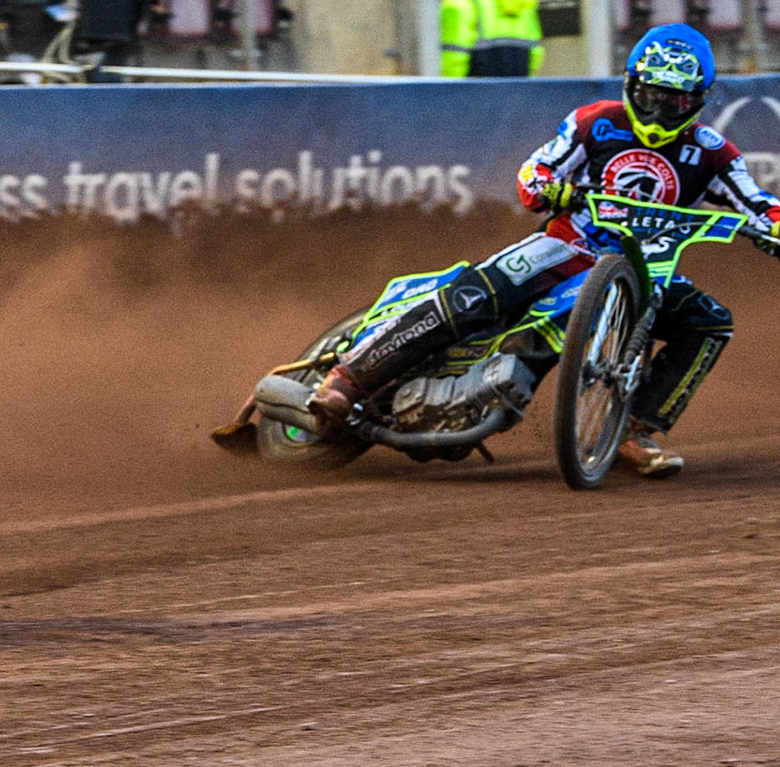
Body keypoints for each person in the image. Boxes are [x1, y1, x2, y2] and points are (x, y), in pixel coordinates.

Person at [310, 24, 780, 477]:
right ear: (631, 86)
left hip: (649, 268)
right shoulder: (596, 122)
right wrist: (551, 190)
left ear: (697, 101)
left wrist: (773, 228)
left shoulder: (714, 153)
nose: (658, 112)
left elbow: (759, 204)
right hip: (568, 245)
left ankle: (636, 430)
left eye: (673, 101)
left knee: (710, 320)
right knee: (478, 293)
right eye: (650, 97)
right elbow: (535, 170)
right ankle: (350, 379)